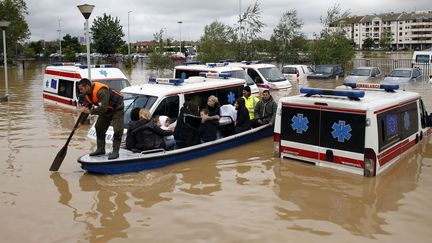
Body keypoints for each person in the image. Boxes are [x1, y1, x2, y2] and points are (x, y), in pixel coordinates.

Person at [78, 78, 124, 160]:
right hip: (106, 109)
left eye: (81, 89)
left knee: (117, 130)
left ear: (87, 87)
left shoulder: (101, 91)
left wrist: (91, 111)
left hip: (117, 108)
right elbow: (86, 109)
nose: (80, 91)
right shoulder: (87, 94)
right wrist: (80, 122)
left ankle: (115, 152)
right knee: (99, 127)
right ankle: (101, 149)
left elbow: (103, 109)